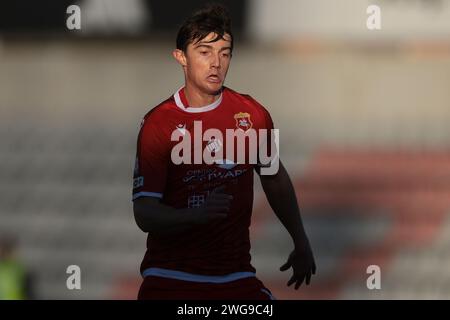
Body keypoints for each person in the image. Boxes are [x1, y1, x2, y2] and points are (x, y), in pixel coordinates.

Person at [132, 4, 315, 300]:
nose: (216, 62)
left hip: (235, 277)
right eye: (205, 52)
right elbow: (144, 212)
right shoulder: (159, 123)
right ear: (181, 57)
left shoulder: (252, 115)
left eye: (225, 52)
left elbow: (274, 177)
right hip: (171, 277)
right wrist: (195, 215)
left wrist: (301, 240)